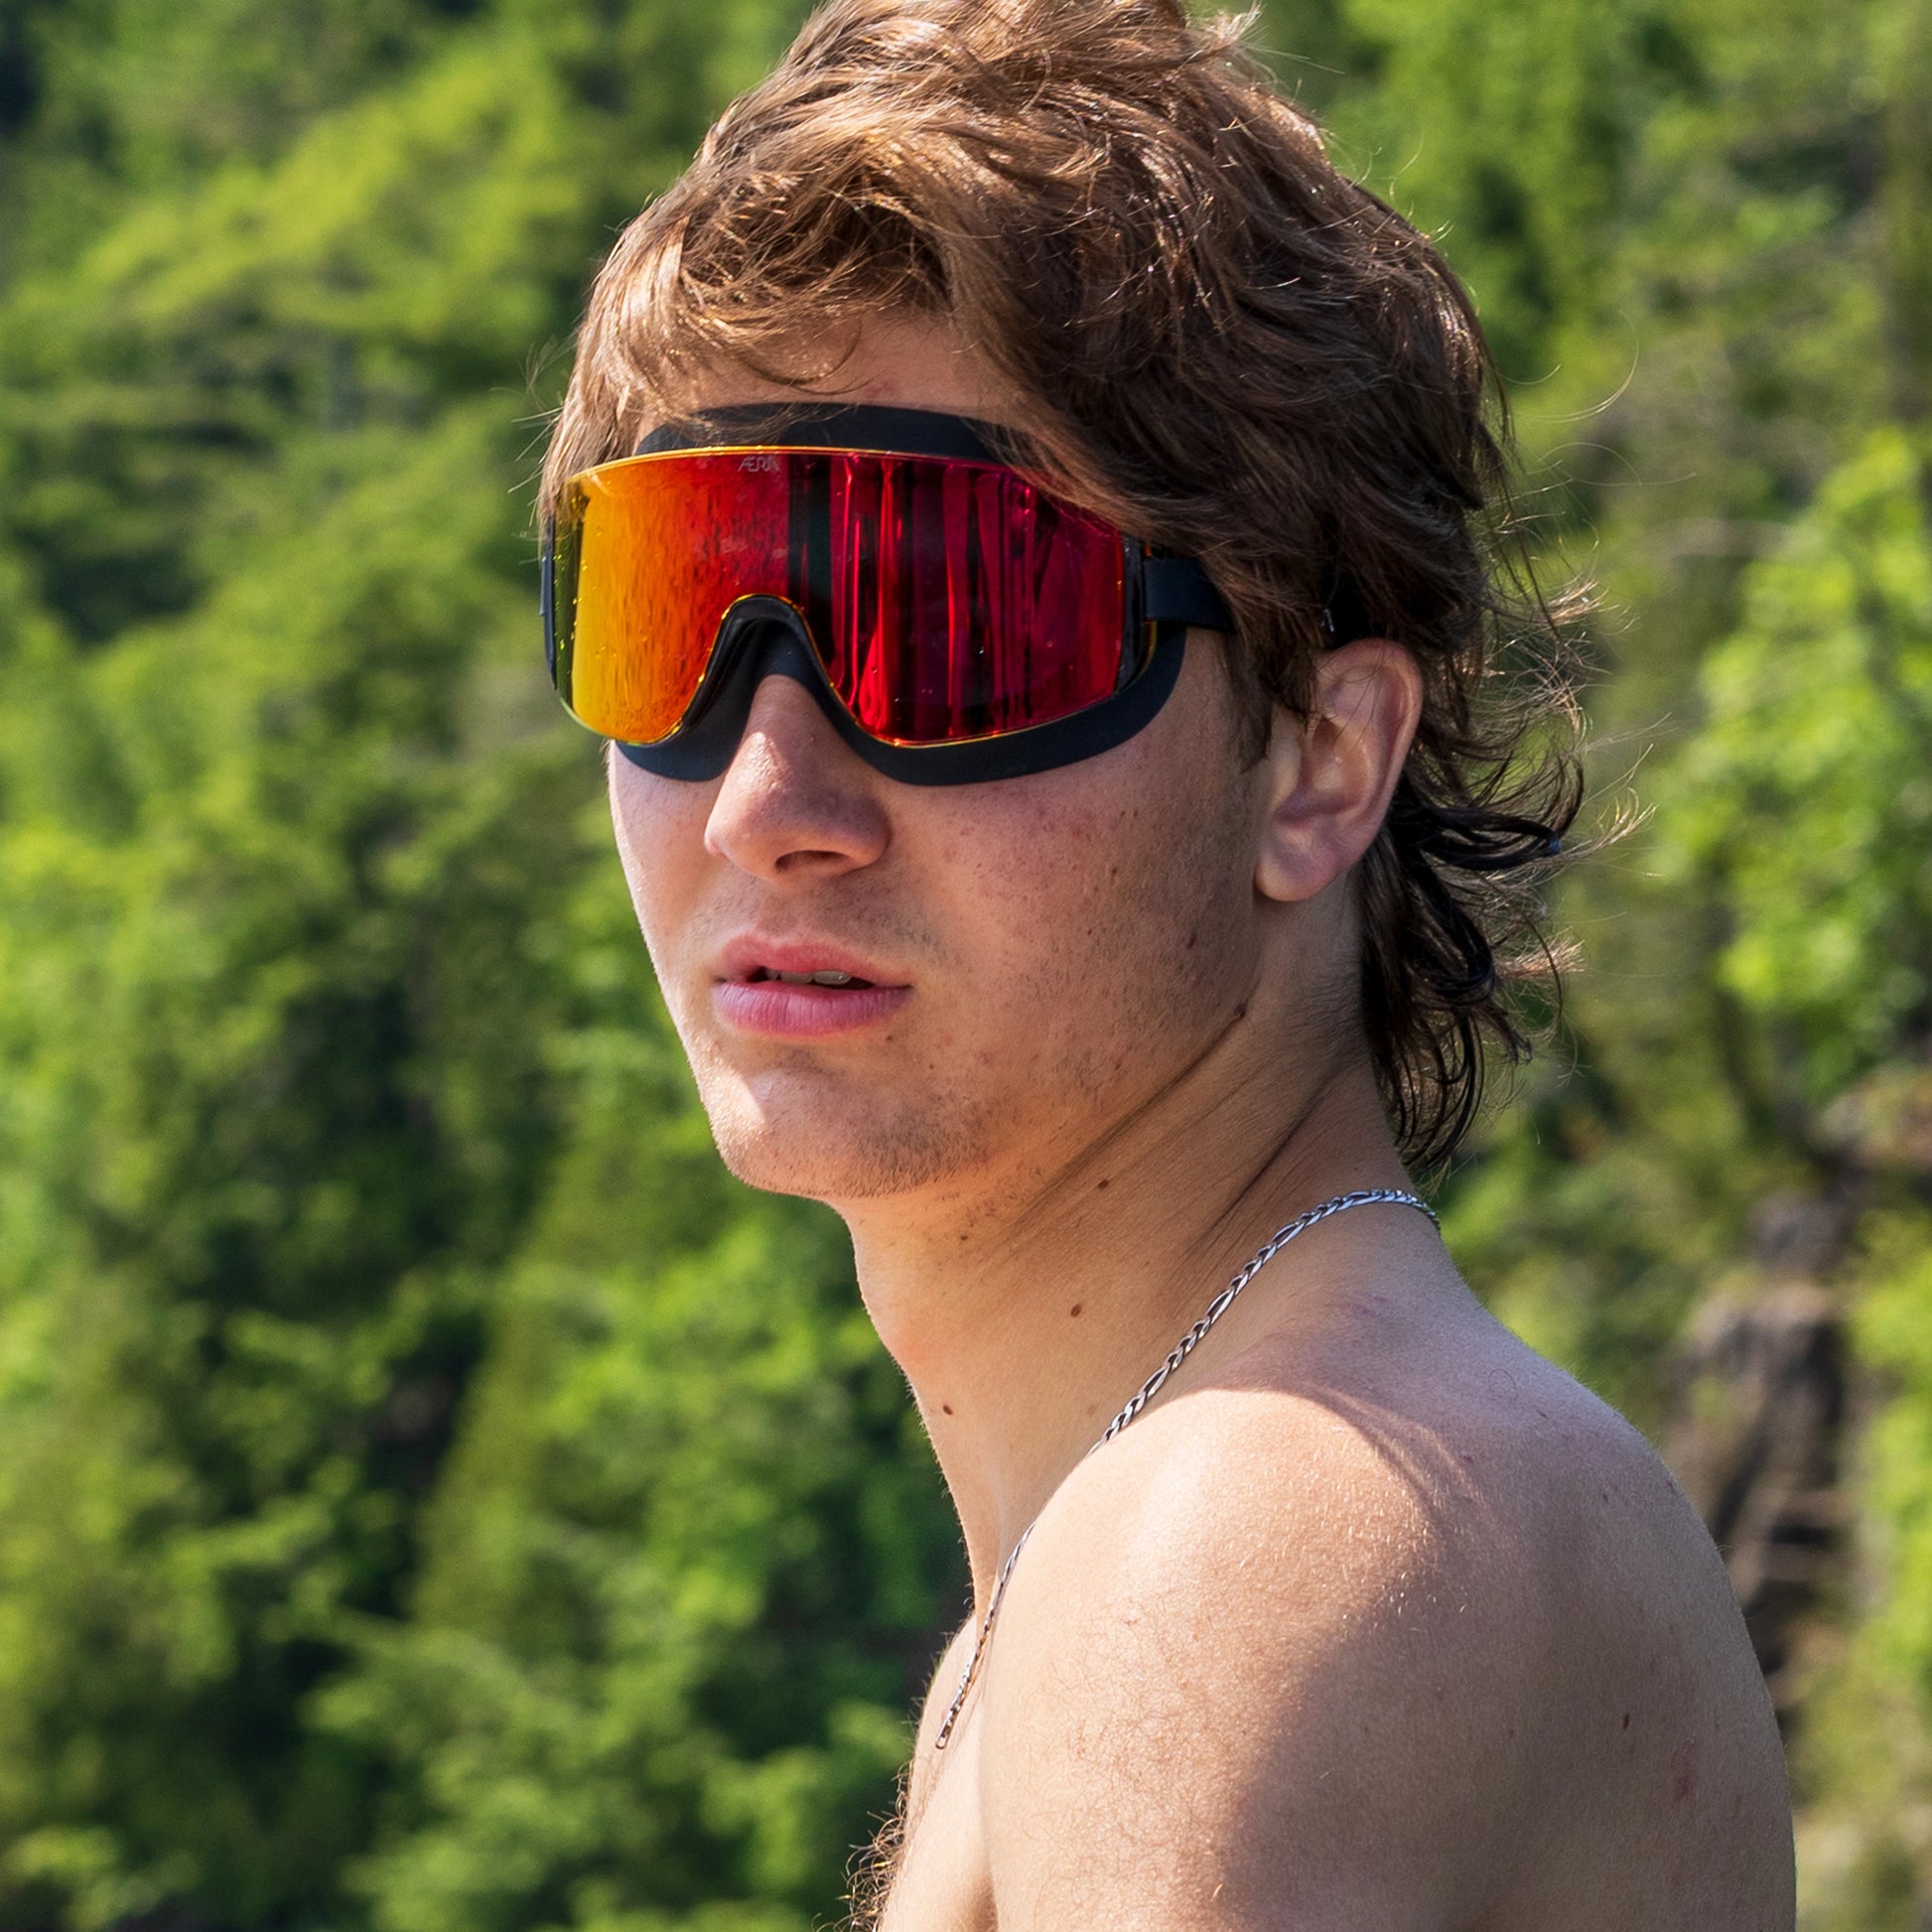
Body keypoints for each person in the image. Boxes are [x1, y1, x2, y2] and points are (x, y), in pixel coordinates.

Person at [537, 0, 1796, 1923]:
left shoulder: (1231, 1543)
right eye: (676, 608)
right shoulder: (1195, 1544)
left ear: (1320, 760)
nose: (763, 793)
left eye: (952, 617)